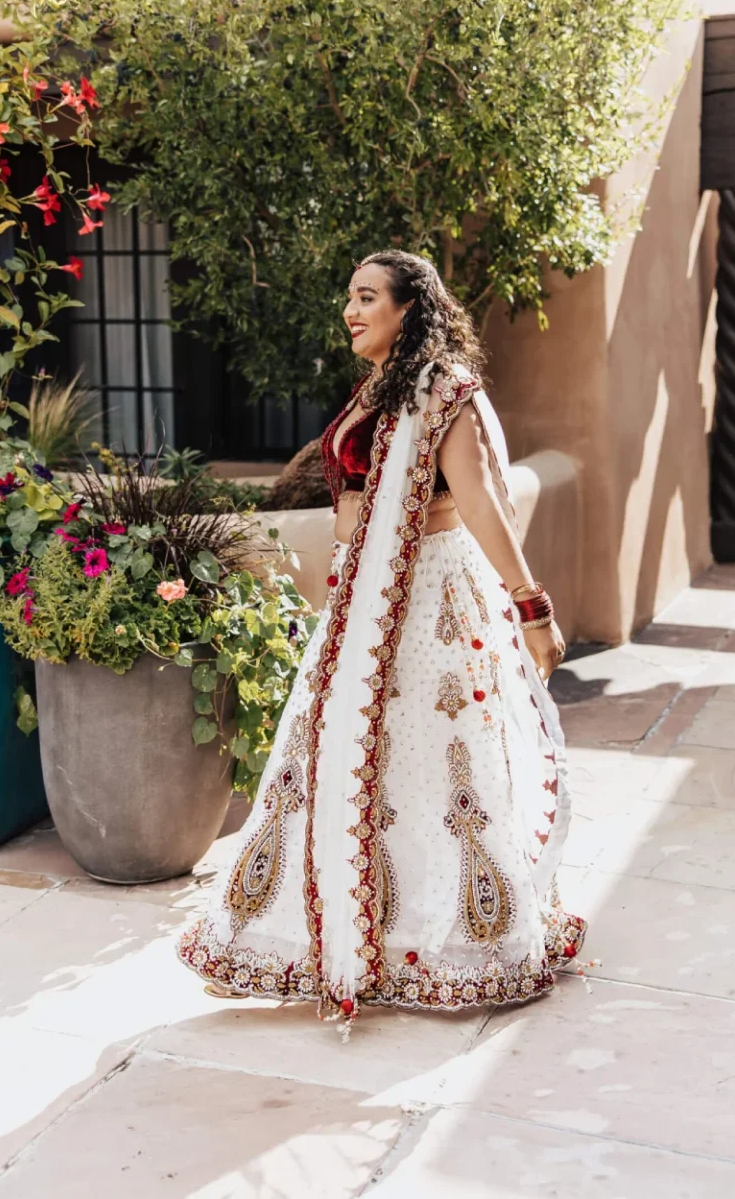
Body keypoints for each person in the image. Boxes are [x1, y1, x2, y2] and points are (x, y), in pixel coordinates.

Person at [177, 251, 585, 1028]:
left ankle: (452, 945)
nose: (350, 311)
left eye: (367, 297)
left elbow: (483, 503)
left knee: (433, 769)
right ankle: (356, 939)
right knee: (356, 767)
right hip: (363, 603)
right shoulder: (384, 387)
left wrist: (532, 607)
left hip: (425, 602)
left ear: (410, 309)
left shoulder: (445, 393)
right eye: (349, 297)